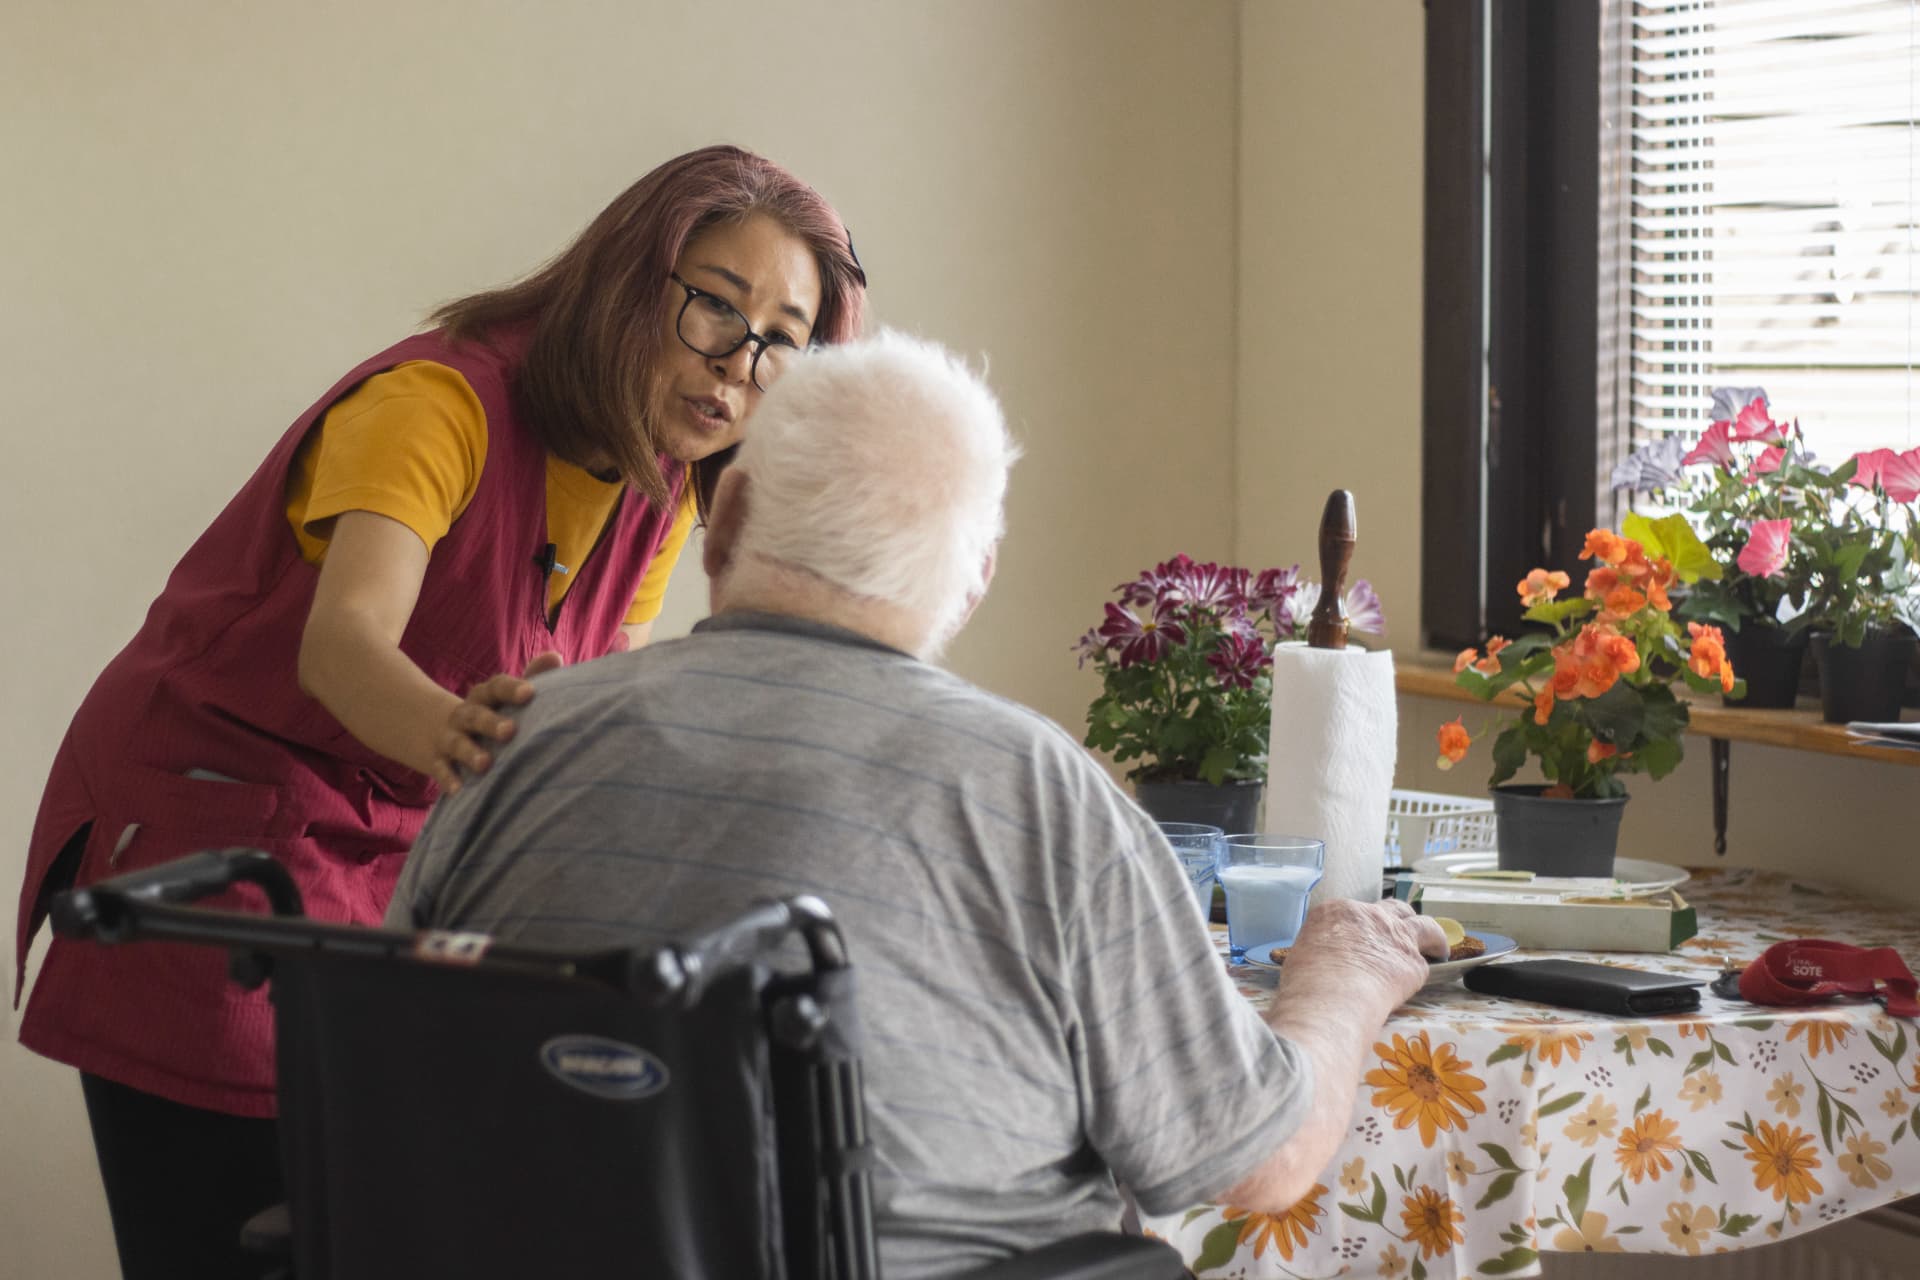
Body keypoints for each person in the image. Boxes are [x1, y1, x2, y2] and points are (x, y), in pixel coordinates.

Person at [387, 330, 1446, 1276]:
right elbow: (1257, 1160)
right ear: (972, 579)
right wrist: (1343, 980)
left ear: (731, 519)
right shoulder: (1037, 793)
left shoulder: (514, 738)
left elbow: (395, 1076)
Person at [14, 143, 867, 1279]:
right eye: (713, 306)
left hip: (396, 852)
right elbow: (346, 644)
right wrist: (480, 738)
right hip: (206, 830)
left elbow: (592, 676)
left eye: (779, 342)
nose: (735, 366)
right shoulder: (438, 402)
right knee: (235, 1229)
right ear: (630, 277)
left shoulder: (658, 486)